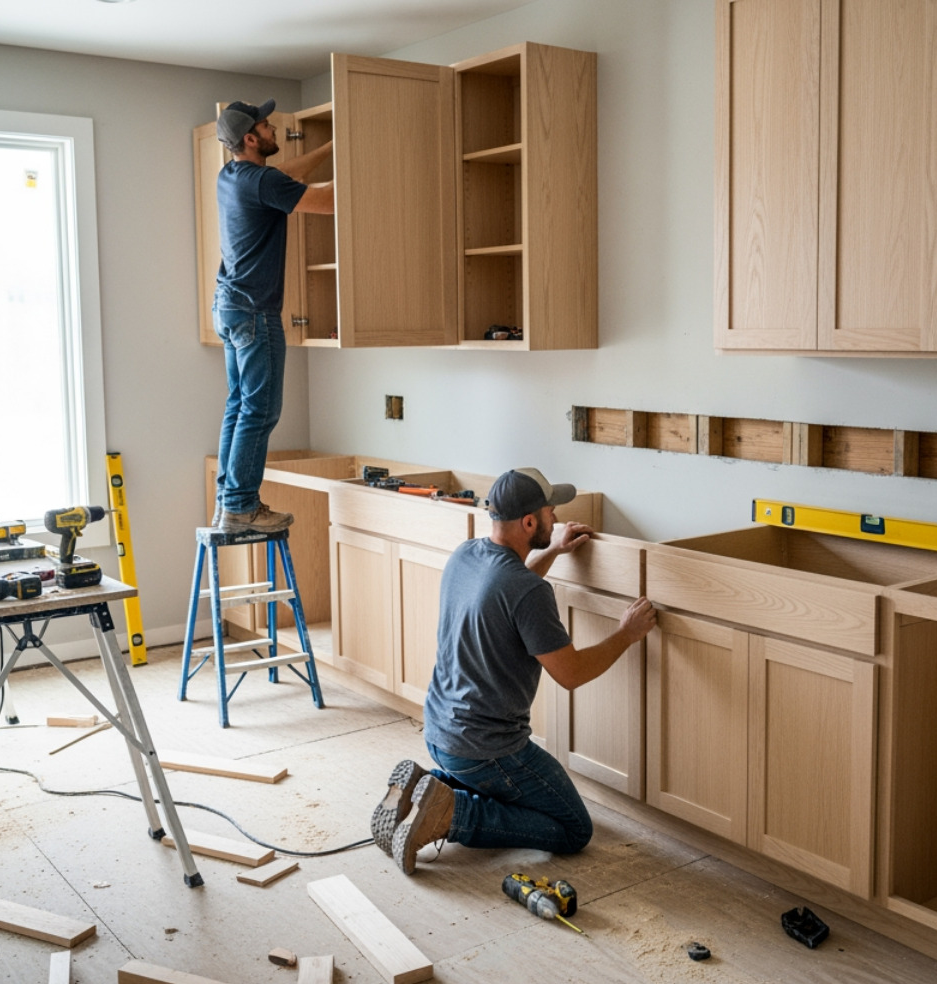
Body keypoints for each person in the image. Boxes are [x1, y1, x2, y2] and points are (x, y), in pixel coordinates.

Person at [371, 468, 657, 874]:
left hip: (440, 733)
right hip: (486, 750)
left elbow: (506, 596)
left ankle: (425, 788)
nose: (556, 519)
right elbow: (570, 673)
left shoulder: (466, 554)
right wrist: (626, 634)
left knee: (524, 801)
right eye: (550, 512)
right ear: (529, 522)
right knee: (573, 829)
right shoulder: (529, 592)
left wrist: (553, 551)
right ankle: (453, 815)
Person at [211, 99, 334, 531]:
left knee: (239, 407)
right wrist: (369, 168)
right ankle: (242, 506)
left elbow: (287, 175)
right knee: (260, 412)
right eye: (267, 125)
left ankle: (229, 501)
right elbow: (327, 202)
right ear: (251, 138)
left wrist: (331, 148)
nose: (274, 129)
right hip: (254, 311)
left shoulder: (233, 175)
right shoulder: (260, 182)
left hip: (228, 306)